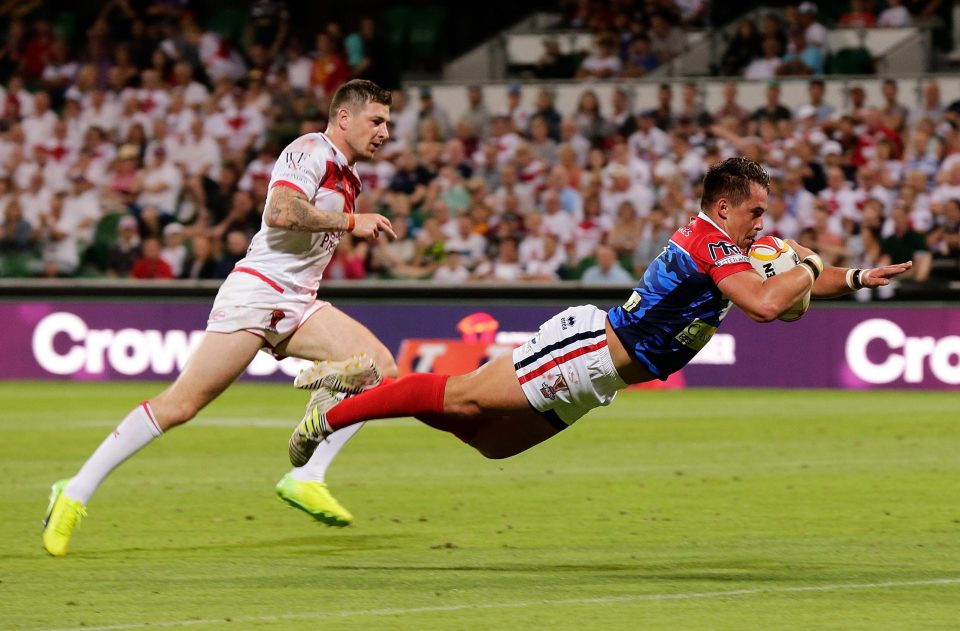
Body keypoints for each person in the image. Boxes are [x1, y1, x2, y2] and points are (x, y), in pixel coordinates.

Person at [287, 158, 913, 469]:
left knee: (487, 443)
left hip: (604, 378)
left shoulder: (738, 245)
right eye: (755, 211)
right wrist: (802, 264)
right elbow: (766, 305)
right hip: (589, 349)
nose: (764, 222)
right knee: (460, 397)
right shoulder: (709, 241)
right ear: (723, 208)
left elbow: (796, 283)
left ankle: (375, 385)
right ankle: (335, 414)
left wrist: (854, 277)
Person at [42, 80, 400, 557]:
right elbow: (278, 211)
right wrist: (353, 222)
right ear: (344, 118)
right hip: (256, 294)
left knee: (381, 370)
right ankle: (73, 492)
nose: (384, 132)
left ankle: (306, 474)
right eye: (377, 121)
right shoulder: (309, 150)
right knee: (180, 406)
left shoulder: (350, 174)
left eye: (388, 124)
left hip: (299, 302)